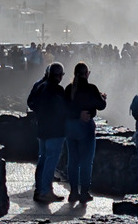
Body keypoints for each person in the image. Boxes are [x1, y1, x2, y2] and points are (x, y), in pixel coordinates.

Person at [64, 62, 107, 203]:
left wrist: (76, 114)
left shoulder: (69, 88)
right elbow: (101, 105)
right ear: (87, 73)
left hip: (70, 127)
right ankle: (84, 193)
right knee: (86, 162)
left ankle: (73, 192)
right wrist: (102, 97)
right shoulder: (91, 88)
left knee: (73, 161)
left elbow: (63, 108)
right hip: (85, 127)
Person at [26, 62, 67, 203]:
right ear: (59, 76)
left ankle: (39, 190)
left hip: (42, 129)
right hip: (55, 131)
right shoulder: (57, 90)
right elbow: (63, 110)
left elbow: (31, 103)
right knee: (51, 161)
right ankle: (45, 192)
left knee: (43, 159)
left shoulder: (40, 86)